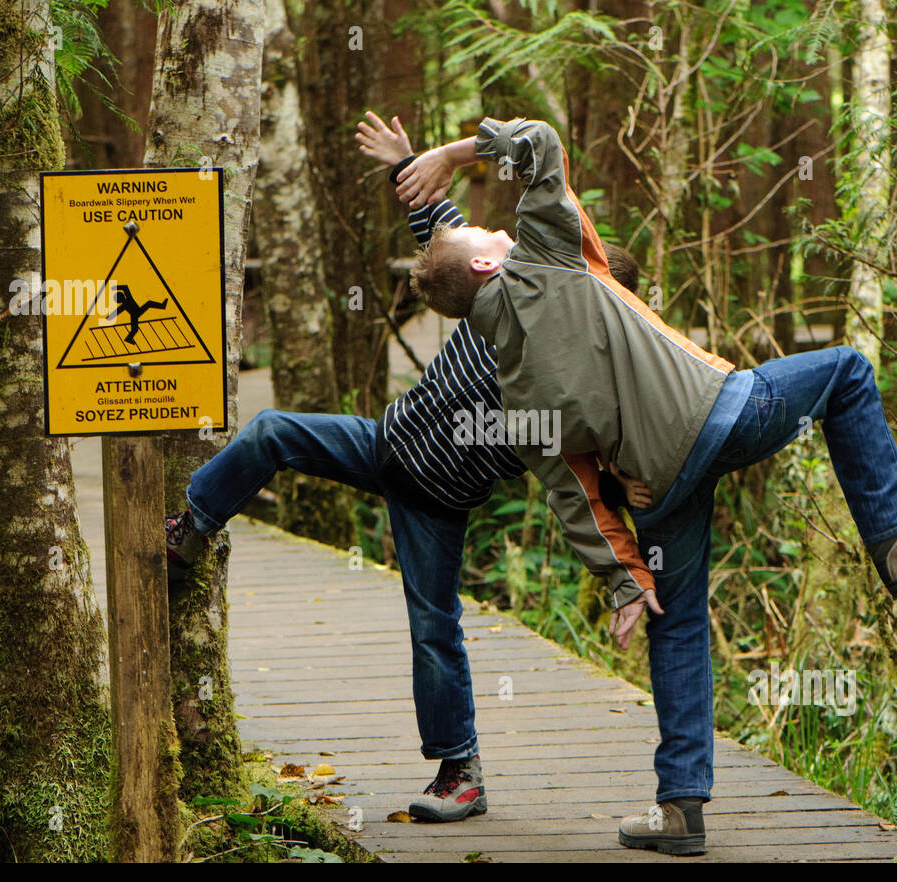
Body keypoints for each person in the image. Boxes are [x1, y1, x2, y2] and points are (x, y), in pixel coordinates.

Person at [400, 115, 897, 855]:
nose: (499, 234)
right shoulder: (544, 259)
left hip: (659, 487)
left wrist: (622, 579)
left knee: (673, 623)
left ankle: (681, 810)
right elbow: (539, 140)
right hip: (722, 417)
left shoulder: (516, 399)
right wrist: (456, 154)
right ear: (489, 269)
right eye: (489, 238)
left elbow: (573, 495)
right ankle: (895, 540)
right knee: (846, 372)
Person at [165, 111, 649, 822]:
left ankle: (462, 772)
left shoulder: (568, 367)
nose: (509, 241)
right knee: (270, 430)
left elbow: (584, 453)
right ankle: (196, 523)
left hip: (437, 502)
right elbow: (443, 226)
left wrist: (625, 487)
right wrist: (407, 160)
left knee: (433, 625)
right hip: (383, 443)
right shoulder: (494, 288)